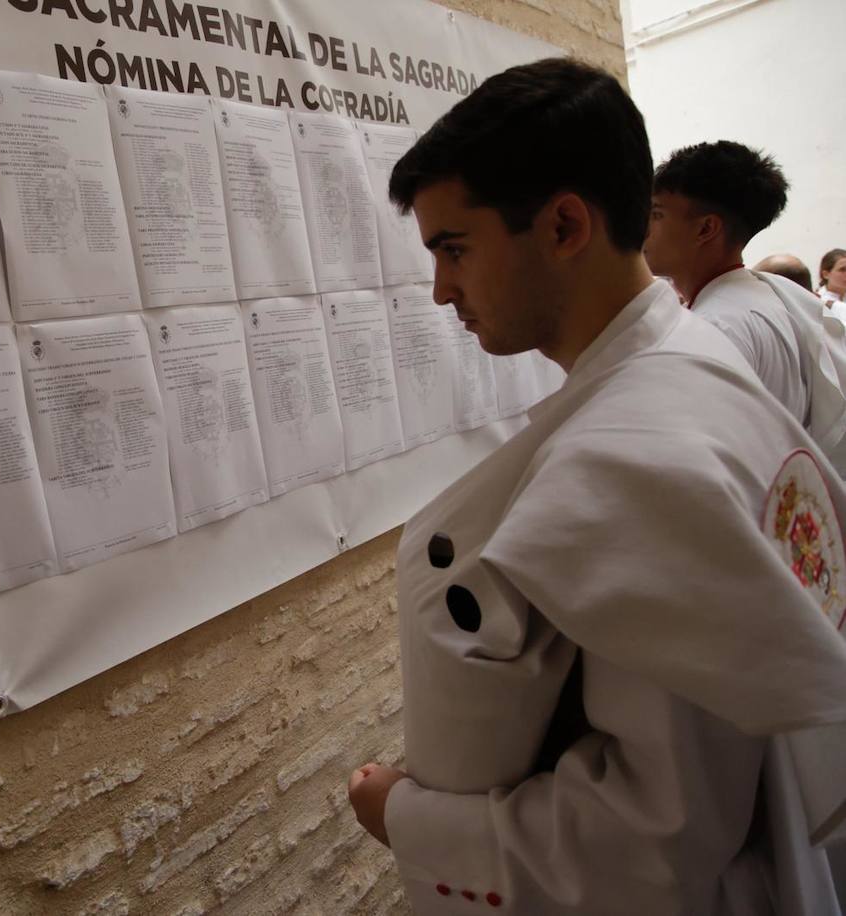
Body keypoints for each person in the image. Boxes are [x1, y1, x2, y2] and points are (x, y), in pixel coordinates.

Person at [346, 57, 846, 915]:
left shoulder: (632, 454)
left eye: (455, 249)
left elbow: (651, 835)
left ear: (565, 225)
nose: (440, 290)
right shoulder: (685, 365)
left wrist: (406, 816)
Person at [642, 141, 846, 467]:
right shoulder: (771, 297)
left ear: (706, 228)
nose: (644, 227)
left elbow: (705, 461)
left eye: (656, 214)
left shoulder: (716, 326)